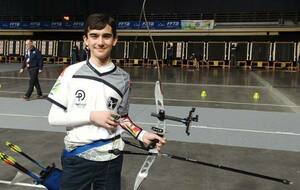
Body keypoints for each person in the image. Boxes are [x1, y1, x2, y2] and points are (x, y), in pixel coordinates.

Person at [47, 13, 166, 190]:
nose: (100, 42)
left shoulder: (124, 78)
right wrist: (92, 116)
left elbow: (122, 118)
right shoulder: (70, 73)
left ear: (115, 40)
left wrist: (142, 135)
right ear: (85, 40)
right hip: (77, 159)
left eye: (106, 36)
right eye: (94, 36)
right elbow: (53, 117)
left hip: (112, 159)